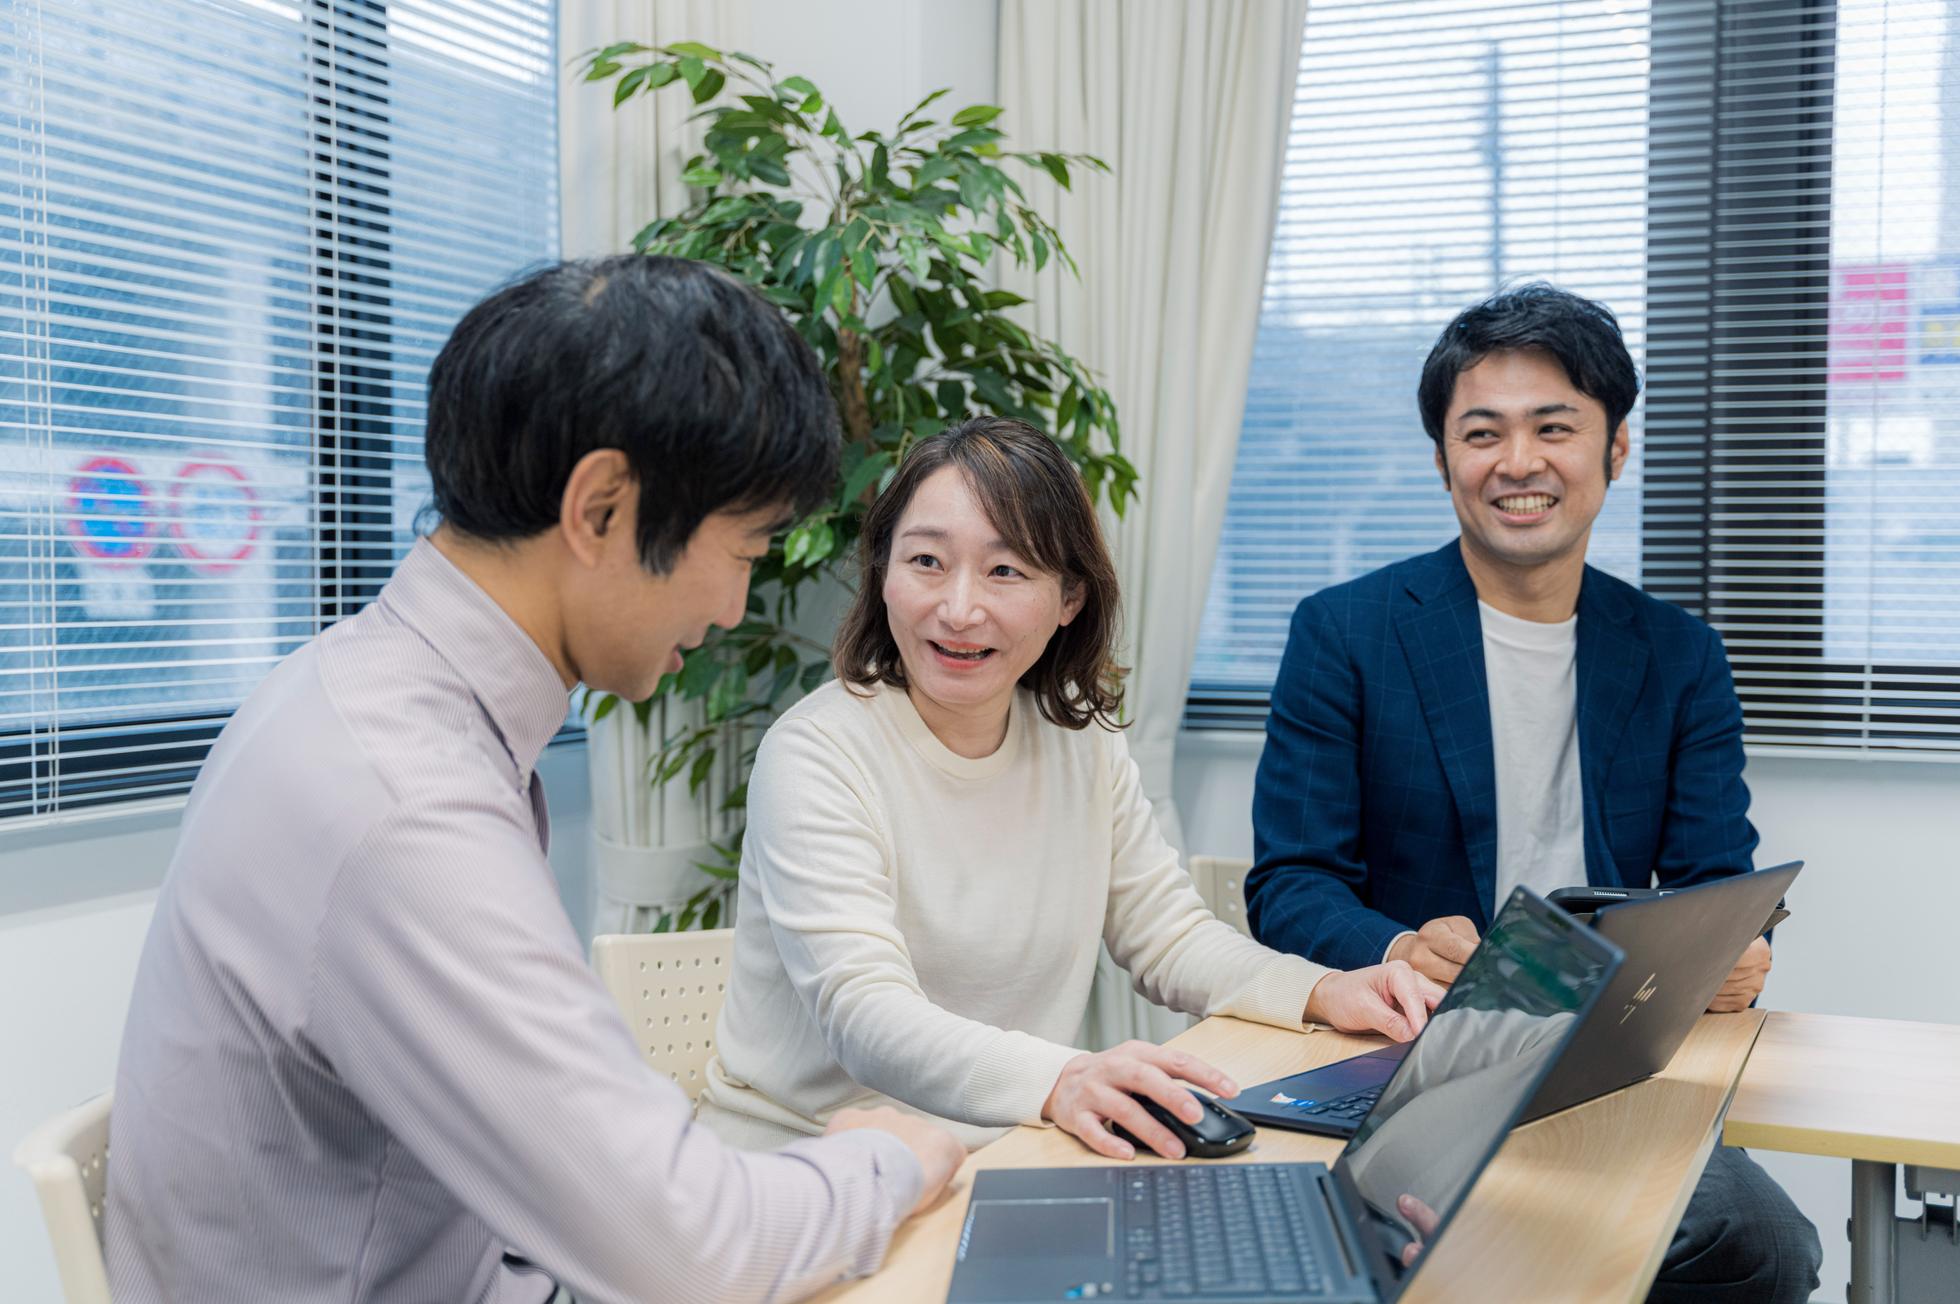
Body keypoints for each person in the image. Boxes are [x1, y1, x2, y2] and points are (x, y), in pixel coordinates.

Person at [105, 255, 965, 1304]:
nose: (735, 608)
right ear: (601, 508)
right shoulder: (405, 801)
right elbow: (687, 1255)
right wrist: (885, 1159)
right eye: (744, 551)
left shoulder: (355, 690)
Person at [1245, 283, 1823, 1302]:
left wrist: (1728, 952)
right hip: (1414, 1053)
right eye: (1483, 432)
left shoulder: (1679, 653)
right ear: (1443, 460)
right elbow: (1290, 882)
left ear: (1615, 448)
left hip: (1607, 1058)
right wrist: (1395, 947)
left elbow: (1714, 881)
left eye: (1554, 427)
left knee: (1764, 1246)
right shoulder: (1345, 632)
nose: (1518, 461)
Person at [696, 416, 1442, 1165]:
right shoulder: (816, 752)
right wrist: (1063, 1078)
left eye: (1005, 571)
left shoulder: (1078, 738)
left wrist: (1323, 990)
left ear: (1070, 599)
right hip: (811, 1168)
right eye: (925, 561)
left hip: (1004, 1150)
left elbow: (1168, 936)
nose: (958, 609)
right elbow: (865, 1014)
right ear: (882, 571)